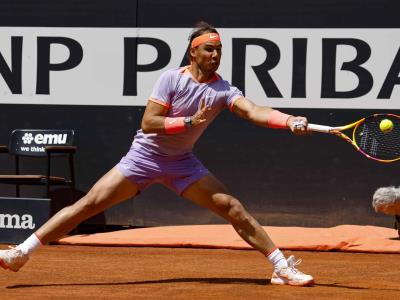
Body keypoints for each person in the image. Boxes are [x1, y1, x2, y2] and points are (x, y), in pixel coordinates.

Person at [0, 21, 313, 286]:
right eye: (209, 49)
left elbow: (253, 110)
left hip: (182, 164)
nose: (215, 55)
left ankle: (281, 267)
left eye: (219, 50)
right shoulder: (171, 79)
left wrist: (288, 120)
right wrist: (188, 121)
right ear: (194, 52)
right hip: (143, 159)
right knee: (87, 206)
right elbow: (149, 123)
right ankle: (20, 253)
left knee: (232, 207)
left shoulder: (223, 90)